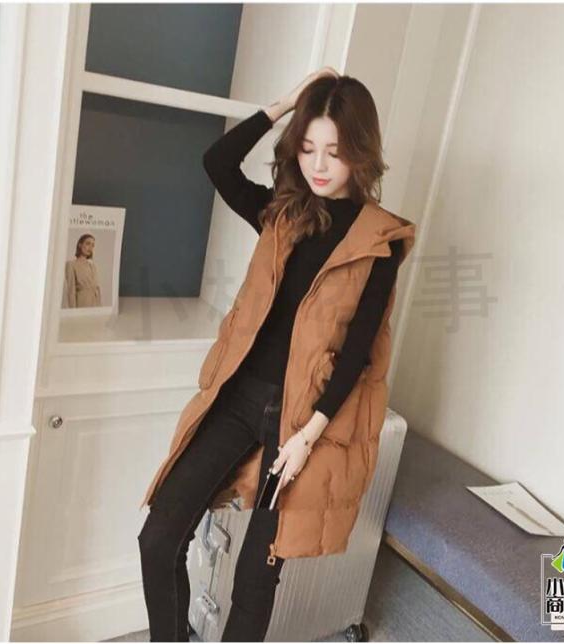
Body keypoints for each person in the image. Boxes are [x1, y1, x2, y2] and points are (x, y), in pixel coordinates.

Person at [137, 67, 408, 642]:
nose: (318, 164)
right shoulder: (283, 215)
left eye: (334, 151)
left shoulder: (378, 242)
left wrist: (308, 436)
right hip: (238, 400)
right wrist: (286, 103)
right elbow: (217, 162)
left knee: (256, 580)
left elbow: (358, 352)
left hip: (298, 421)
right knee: (159, 538)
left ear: (361, 152)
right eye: (307, 148)